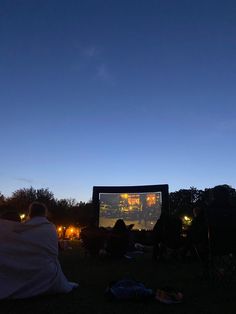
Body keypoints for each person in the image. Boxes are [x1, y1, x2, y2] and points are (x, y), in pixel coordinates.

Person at [0, 202, 78, 299]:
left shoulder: (22, 230)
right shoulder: (51, 228)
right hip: (49, 275)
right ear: (45, 213)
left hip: (21, 272)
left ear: (30, 213)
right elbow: (54, 252)